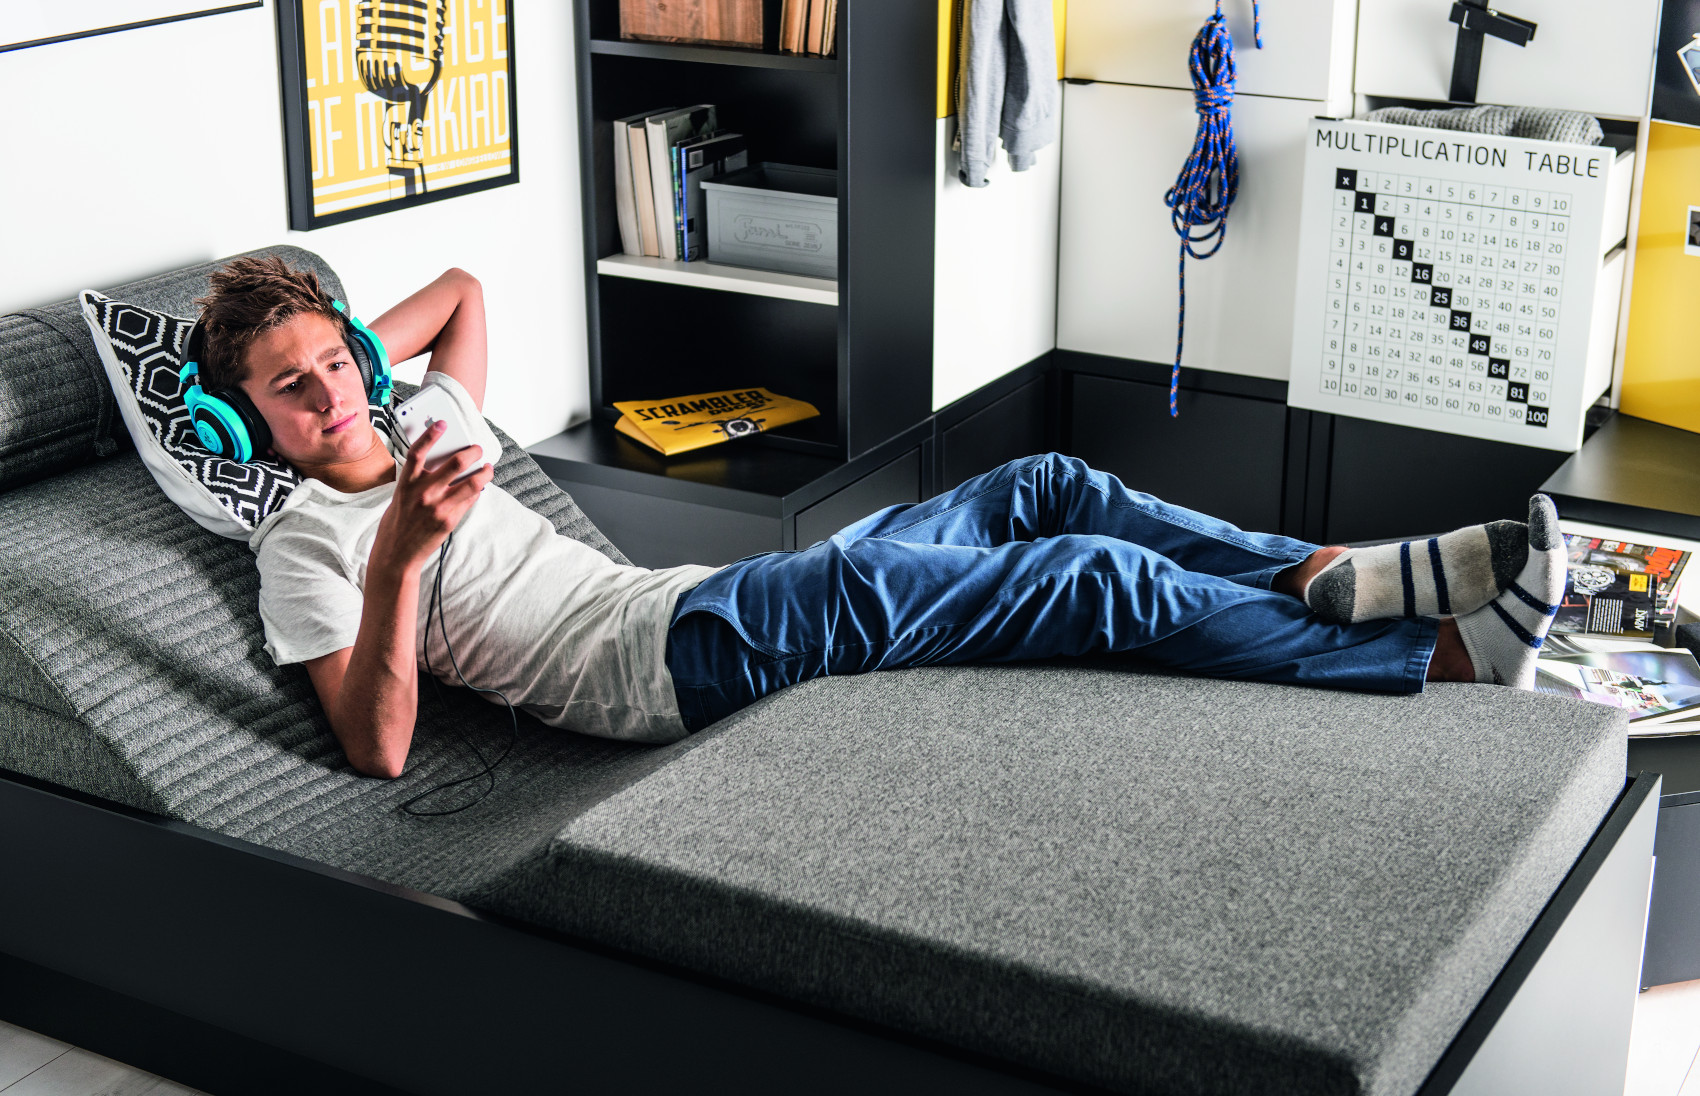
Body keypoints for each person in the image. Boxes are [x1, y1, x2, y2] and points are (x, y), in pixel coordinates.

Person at [198, 257, 1566, 781]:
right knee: (1076, 572)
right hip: (662, 666)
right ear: (241, 424)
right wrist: (403, 559)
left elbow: (461, 291)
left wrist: (347, 353)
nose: (327, 395)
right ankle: (1440, 653)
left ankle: (1327, 570)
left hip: (700, 594)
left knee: (1043, 484)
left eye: (334, 365)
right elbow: (377, 749)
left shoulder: (422, 419)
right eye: (288, 390)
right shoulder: (304, 547)